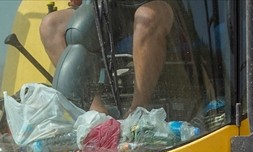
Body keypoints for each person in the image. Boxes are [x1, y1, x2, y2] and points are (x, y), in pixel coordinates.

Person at [40, 0, 174, 116]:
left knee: (146, 17)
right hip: (109, 11)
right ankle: (96, 112)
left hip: (163, 5)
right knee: (50, 26)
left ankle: (137, 111)